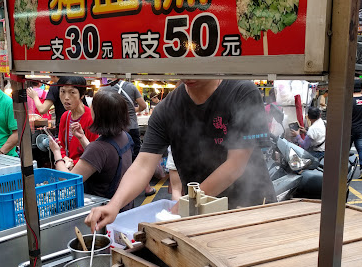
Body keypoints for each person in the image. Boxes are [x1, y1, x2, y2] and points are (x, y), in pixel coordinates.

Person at [85, 79, 276, 230]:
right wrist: (114, 205)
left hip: (252, 209)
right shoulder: (166, 110)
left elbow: (236, 164)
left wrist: (185, 204)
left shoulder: (242, 91)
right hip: (201, 218)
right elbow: (143, 164)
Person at [50, 88, 134, 210]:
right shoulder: (124, 137)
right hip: (122, 205)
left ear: (98, 115)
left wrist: (57, 153)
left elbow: (69, 182)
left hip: (103, 210)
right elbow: (101, 158)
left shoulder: (99, 148)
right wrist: (82, 138)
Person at [109, 80, 152, 194]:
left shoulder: (108, 89)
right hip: (132, 126)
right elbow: (143, 105)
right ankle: (147, 187)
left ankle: (122, 188)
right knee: (138, 158)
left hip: (117, 128)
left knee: (121, 157)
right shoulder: (131, 87)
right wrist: (133, 110)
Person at [56, 76, 98, 164]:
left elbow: (95, 152)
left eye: (72, 92)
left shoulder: (91, 118)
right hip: (68, 165)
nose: (66, 97)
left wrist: (72, 163)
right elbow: (61, 145)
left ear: (82, 95)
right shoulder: (65, 116)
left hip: (85, 168)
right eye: (62, 91)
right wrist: (64, 157)